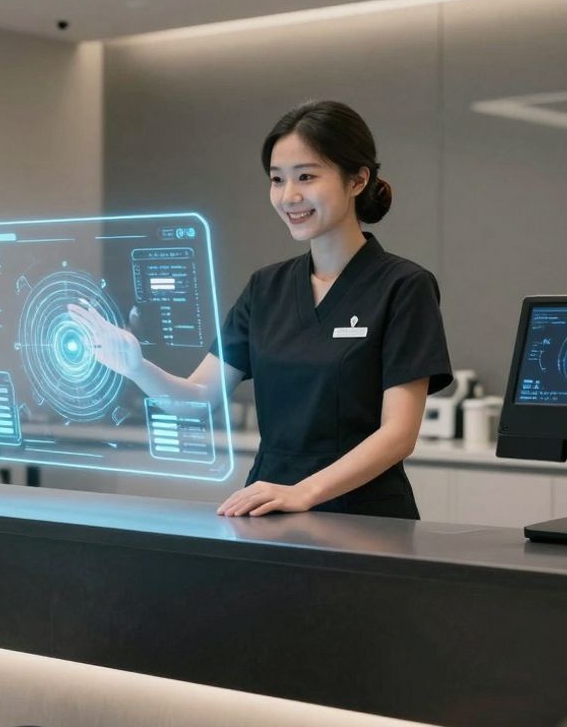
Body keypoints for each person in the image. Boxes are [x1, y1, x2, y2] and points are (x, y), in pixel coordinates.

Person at [69, 100, 452, 519]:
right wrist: (136, 366)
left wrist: (304, 492)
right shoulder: (267, 288)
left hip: (364, 520)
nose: (289, 196)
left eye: (306, 176)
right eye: (276, 179)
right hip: (268, 511)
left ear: (358, 179)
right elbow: (198, 398)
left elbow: (398, 434)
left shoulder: (402, 286)